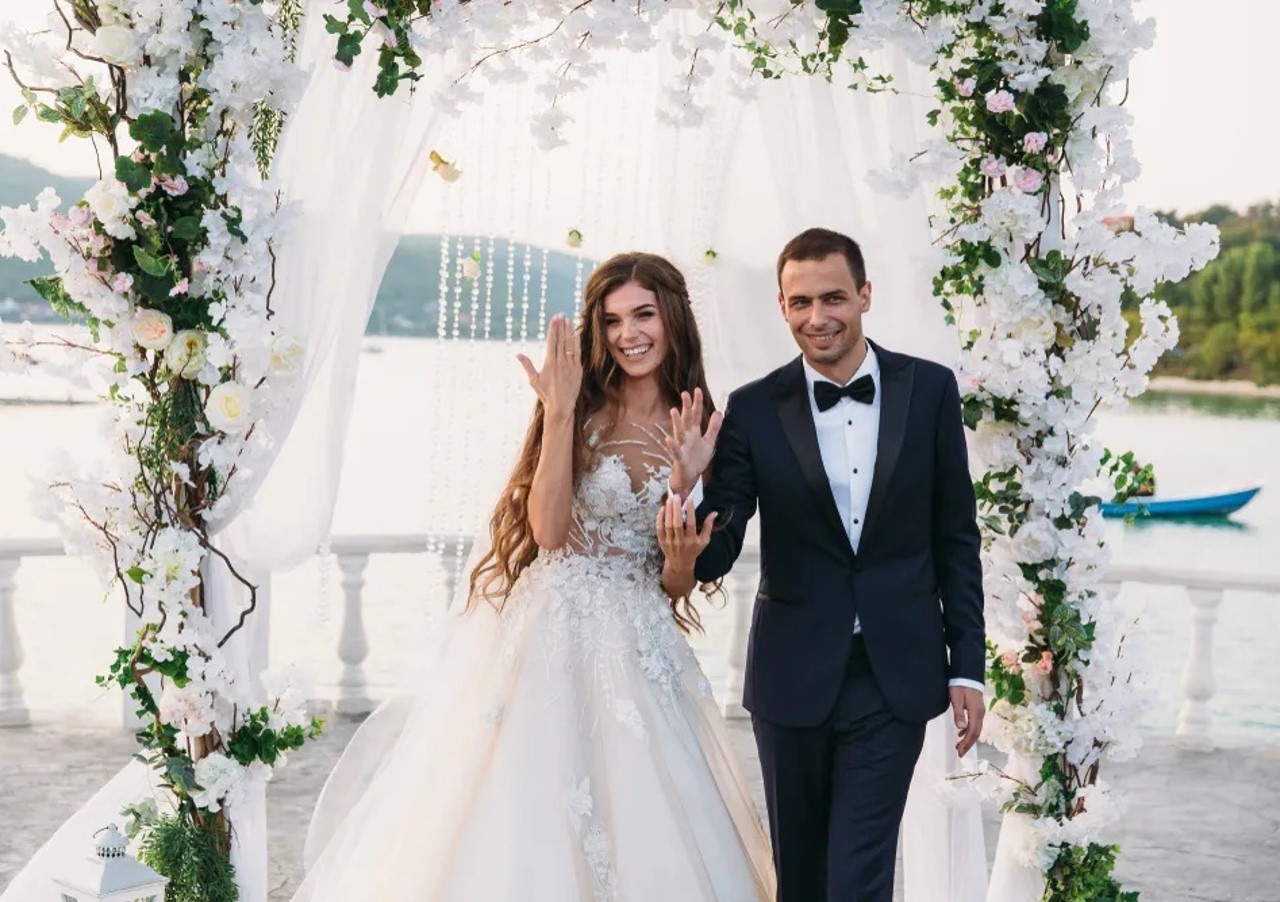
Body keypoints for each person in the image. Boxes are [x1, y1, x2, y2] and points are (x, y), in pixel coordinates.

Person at [291, 252, 775, 900]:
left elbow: (675, 581)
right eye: (612, 320)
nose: (628, 334)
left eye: (643, 315)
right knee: (520, 801)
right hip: (548, 629)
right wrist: (559, 411)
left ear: (674, 318)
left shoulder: (702, 425)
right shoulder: (581, 407)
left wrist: (687, 479)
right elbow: (547, 531)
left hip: (639, 642)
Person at [669, 227, 987, 902]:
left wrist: (967, 665)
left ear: (865, 295)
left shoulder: (930, 390)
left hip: (894, 675)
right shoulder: (753, 408)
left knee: (855, 879)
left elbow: (956, 537)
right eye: (801, 302)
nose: (819, 317)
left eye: (834, 297)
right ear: (782, 307)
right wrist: (689, 486)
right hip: (791, 675)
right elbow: (716, 555)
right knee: (802, 880)